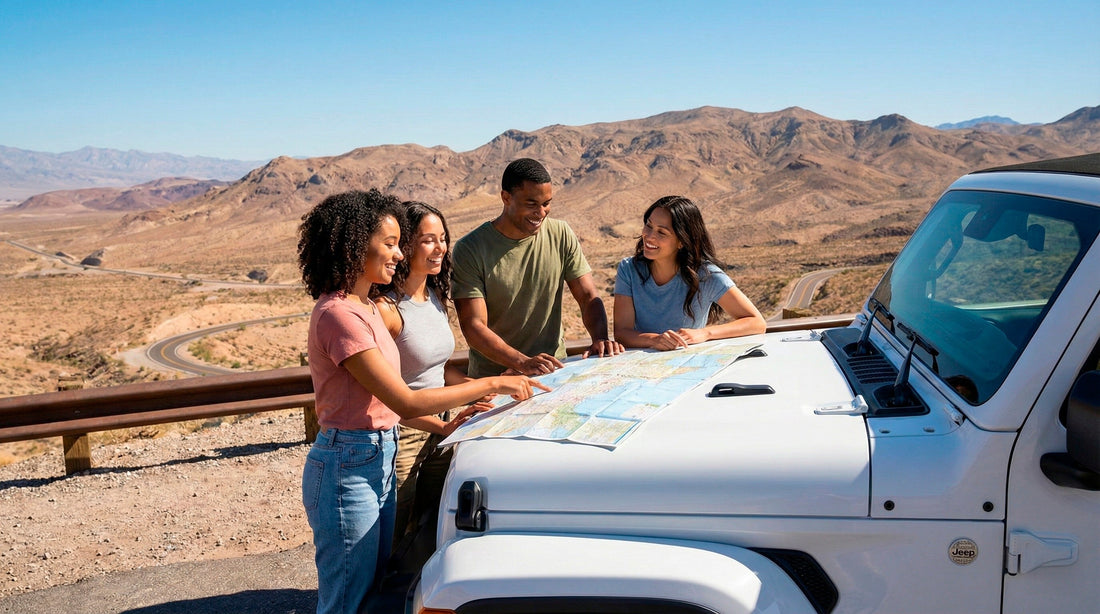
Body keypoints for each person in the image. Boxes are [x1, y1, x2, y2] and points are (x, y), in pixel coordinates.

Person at [297, 189, 546, 614]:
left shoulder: (365, 308)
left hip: (378, 449)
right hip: (348, 464)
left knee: (375, 587)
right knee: (345, 600)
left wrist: (445, 427)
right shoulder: (340, 315)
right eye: (391, 243)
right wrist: (495, 383)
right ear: (356, 244)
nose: (399, 254)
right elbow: (405, 398)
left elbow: (390, 404)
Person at [452, 158, 624, 377]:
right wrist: (522, 362)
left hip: (554, 371)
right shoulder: (471, 248)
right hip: (495, 381)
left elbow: (588, 296)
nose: (541, 213)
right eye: (531, 204)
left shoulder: (560, 233)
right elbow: (474, 326)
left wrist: (599, 338)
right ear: (506, 198)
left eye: (546, 203)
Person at [369, 201, 474, 548]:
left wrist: (477, 392)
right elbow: (388, 395)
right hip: (405, 435)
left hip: (442, 428)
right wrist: (440, 425)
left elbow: (439, 369)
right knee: (393, 533)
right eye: (429, 239)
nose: (440, 247)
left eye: (443, 238)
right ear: (405, 246)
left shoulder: (433, 296)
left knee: (430, 529)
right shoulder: (386, 309)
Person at [614, 195, 766, 350]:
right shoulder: (629, 270)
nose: (649, 236)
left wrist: (705, 333)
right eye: (649, 225)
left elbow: (756, 322)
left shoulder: (707, 276)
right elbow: (622, 333)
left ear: (682, 241)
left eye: (662, 232)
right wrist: (655, 340)